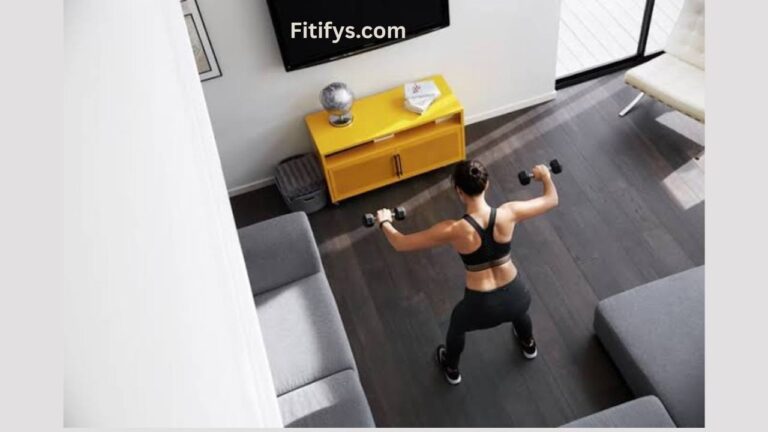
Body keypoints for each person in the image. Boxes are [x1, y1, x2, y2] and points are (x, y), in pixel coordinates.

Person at [376, 159, 558, 385]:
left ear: (458, 191)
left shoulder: (454, 230)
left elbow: (400, 243)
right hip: (518, 296)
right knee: (517, 310)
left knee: (457, 326)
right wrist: (545, 177)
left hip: (480, 307)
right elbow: (551, 199)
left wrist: (384, 222)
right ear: (487, 184)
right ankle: (528, 343)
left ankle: (451, 368)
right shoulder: (509, 212)